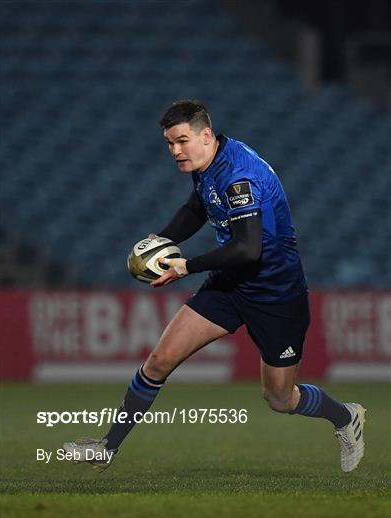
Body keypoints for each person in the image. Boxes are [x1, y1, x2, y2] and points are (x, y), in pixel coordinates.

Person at [64, 100, 366, 472]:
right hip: (230, 284)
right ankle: (106, 447)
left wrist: (185, 266)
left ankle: (344, 417)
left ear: (205, 135)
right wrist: (162, 240)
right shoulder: (208, 163)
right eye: (169, 143)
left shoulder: (240, 176)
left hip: (276, 295)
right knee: (159, 361)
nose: (175, 151)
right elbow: (196, 209)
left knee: (279, 397)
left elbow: (248, 249)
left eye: (182, 141)